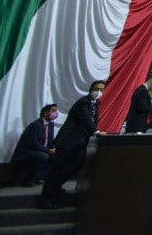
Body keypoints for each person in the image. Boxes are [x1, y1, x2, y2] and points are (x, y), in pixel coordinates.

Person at [41, 80, 104, 208]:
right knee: (58, 170)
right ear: (91, 89)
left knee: (75, 166)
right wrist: (96, 131)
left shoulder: (96, 103)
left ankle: (56, 188)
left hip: (80, 143)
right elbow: (87, 119)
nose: (98, 92)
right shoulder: (83, 102)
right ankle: (46, 199)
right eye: (96, 89)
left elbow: (94, 120)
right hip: (68, 142)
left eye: (101, 89)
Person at [11, 104, 57, 186]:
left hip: (40, 151)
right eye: (53, 111)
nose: (55, 113)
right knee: (43, 156)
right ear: (45, 113)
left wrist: (54, 149)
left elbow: (50, 141)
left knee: (56, 156)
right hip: (26, 152)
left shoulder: (51, 125)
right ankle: (27, 180)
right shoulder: (36, 125)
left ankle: (39, 177)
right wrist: (48, 150)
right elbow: (33, 143)